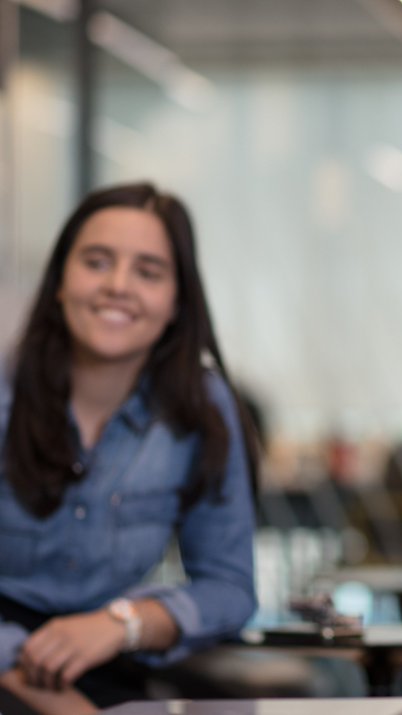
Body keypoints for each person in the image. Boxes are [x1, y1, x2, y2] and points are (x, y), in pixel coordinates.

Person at [0, 182, 259, 715]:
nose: (118, 286)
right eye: (97, 262)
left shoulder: (203, 408)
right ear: (60, 282)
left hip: (110, 665)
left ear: (176, 301)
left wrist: (123, 624)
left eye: (148, 272)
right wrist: (50, 694)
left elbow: (229, 587)